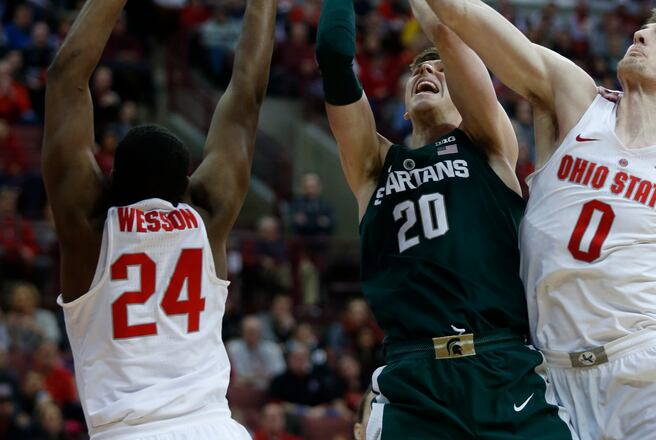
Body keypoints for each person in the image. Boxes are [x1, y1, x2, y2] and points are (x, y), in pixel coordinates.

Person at [425, 2, 656, 438]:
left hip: (649, 372)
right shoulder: (573, 100)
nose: (640, 37)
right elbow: (461, 15)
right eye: (641, 31)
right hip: (551, 376)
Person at [316, 0, 574, 438]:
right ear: (402, 106)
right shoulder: (374, 165)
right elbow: (334, 60)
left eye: (438, 70)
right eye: (416, 71)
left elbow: (450, 32)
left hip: (500, 364)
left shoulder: (488, 142)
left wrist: (436, 31)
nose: (425, 73)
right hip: (414, 379)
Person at [41, 0, 276, 438]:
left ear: (109, 180)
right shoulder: (206, 220)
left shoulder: (91, 232)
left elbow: (65, 78)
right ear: (187, 184)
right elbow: (246, 94)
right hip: (214, 427)